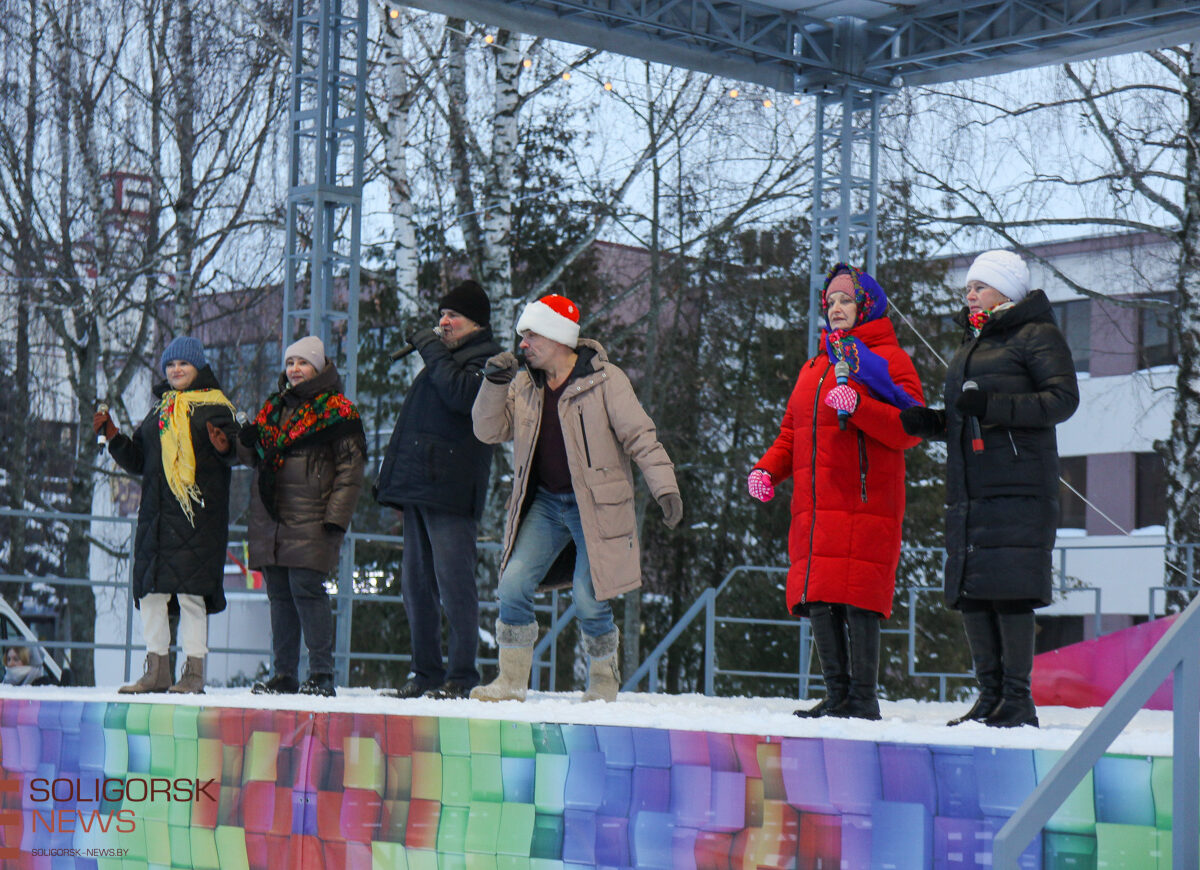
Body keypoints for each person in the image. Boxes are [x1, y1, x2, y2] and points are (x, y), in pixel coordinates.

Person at [470, 293, 683, 703]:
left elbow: (641, 436)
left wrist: (665, 486)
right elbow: (488, 431)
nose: (523, 344)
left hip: (597, 509)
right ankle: (511, 681)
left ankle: (603, 682)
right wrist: (493, 386)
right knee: (512, 584)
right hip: (548, 505)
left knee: (589, 598)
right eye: (522, 336)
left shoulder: (606, 380)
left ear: (557, 337)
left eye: (531, 335)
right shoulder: (524, 384)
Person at [901, 250, 1079, 728]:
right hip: (972, 490)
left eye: (980, 285)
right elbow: (968, 415)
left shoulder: (1036, 334)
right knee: (974, 592)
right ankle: (989, 697)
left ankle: (1016, 700)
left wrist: (993, 404)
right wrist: (933, 423)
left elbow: (1062, 399)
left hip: (1018, 486)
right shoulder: (972, 342)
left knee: (1011, 591)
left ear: (1008, 289)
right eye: (969, 287)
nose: (971, 293)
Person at [749, 265, 924, 720]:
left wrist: (861, 407)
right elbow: (791, 434)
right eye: (830, 303)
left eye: (846, 301)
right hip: (817, 504)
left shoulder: (889, 359)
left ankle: (863, 698)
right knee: (821, 598)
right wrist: (767, 470)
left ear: (867, 304)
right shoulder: (815, 367)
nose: (837, 309)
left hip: (866, 502)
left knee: (860, 598)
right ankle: (837, 694)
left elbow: (912, 428)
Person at [375, 280, 501, 699]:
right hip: (420, 487)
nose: (443, 323)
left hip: (451, 488)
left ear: (476, 324)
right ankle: (425, 671)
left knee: (454, 583)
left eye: (453, 316)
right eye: (441, 315)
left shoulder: (489, 361)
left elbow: (462, 396)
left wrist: (429, 347)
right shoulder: (445, 360)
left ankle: (462, 675)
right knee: (415, 584)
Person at [95, 336, 237, 694]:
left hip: (196, 520)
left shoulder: (216, 408)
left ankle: (193, 673)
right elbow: (139, 461)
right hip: (157, 521)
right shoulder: (161, 411)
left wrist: (228, 445)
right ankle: (156, 671)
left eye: (183, 365)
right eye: (171, 365)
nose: (176, 370)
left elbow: (235, 451)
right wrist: (112, 436)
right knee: (152, 596)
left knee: (192, 597)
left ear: (198, 368)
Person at [239, 336, 367, 698]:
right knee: (279, 593)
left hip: (313, 516)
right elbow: (254, 458)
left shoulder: (339, 411)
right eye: (290, 362)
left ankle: (321, 674)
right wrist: (246, 441)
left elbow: (350, 471)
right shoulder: (274, 407)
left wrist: (336, 519)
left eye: (302, 363)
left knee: (306, 590)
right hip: (273, 516)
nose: (294, 370)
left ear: (319, 366)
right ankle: (284, 674)